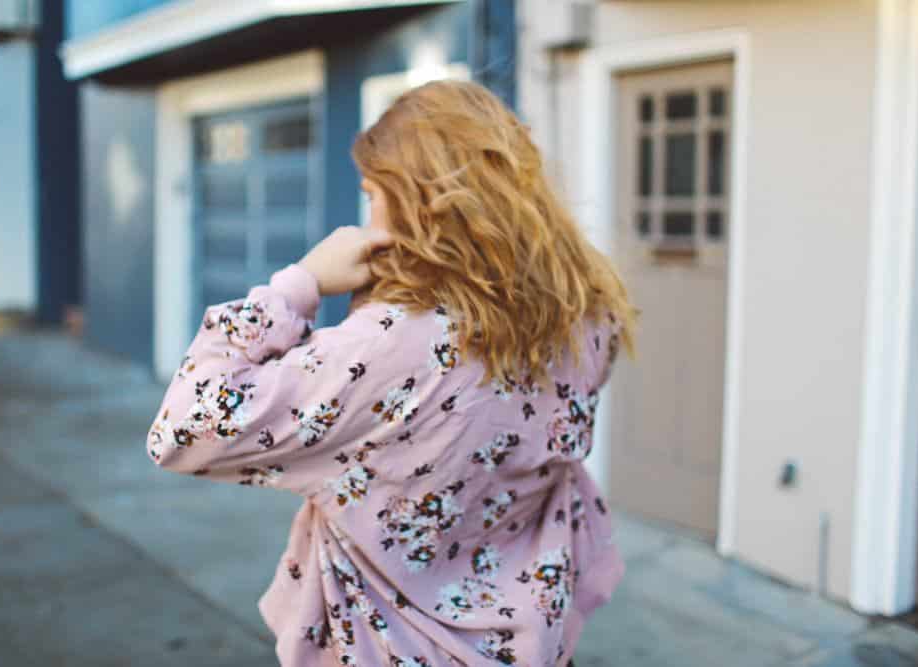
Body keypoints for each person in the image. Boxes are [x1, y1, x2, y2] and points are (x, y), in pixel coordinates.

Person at [146, 78, 638, 666]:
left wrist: (298, 284)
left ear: (418, 202)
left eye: (371, 194)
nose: (366, 217)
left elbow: (181, 431)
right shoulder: (587, 313)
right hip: (529, 643)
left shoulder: (394, 344)